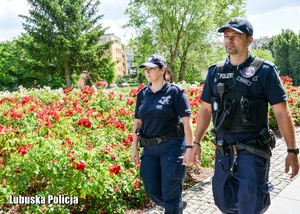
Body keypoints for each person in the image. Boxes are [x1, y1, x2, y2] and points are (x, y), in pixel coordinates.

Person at [192, 17, 299, 214]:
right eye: (226, 36)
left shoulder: (265, 71)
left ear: (249, 40)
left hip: (253, 150)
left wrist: (292, 151)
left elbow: (282, 112)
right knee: (224, 201)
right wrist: (195, 143)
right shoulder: (215, 72)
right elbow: (206, 109)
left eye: (236, 36)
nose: (229, 41)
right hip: (224, 150)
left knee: (251, 204)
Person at [131, 54, 194, 213]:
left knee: (170, 192)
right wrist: (134, 147)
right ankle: (175, 205)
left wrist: (189, 148)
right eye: (146, 69)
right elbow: (137, 122)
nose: (148, 72)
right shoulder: (142, 94)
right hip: (150, 149)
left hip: (172, 148)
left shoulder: (175, 92)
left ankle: (174, 205)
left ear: (162, 70)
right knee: (151, 189)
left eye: (152, 69)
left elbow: (187, 122)